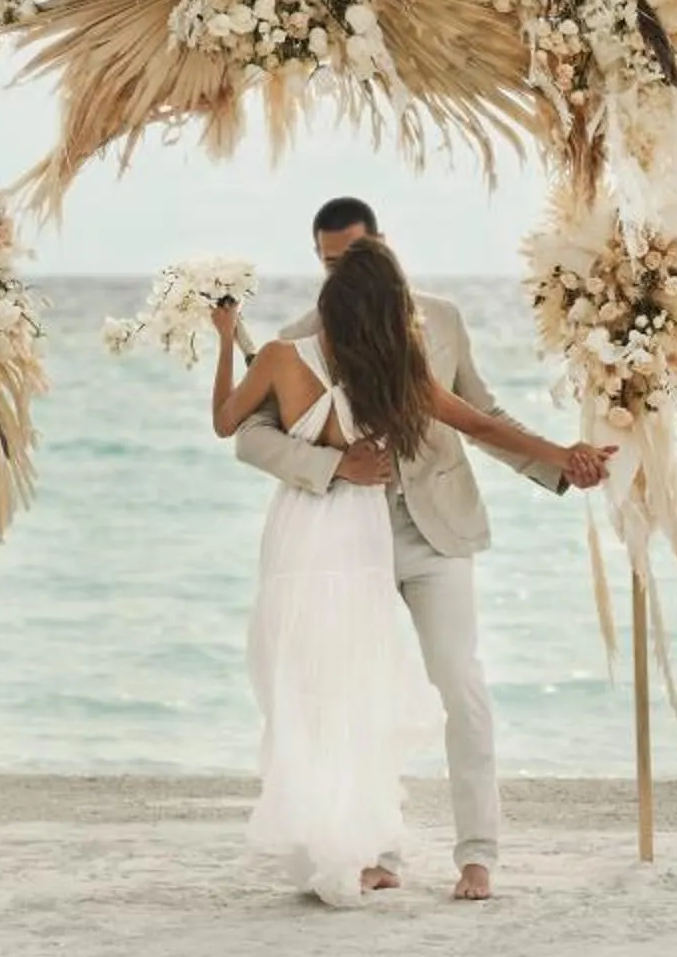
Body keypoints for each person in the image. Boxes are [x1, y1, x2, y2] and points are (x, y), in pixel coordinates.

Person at [215, 210, 606, 903]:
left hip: (437, 532)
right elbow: (249, 438)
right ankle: (376, 850)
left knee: (460, 684)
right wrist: (334, 468)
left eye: (352, 257)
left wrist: (560, 466)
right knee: (357, 688)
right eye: (329, 262)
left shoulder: (441, 321)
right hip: (344, 538)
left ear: (382, 245)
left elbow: (482, 418)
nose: (341, 270)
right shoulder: (300, 340)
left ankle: (478, 854)